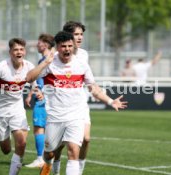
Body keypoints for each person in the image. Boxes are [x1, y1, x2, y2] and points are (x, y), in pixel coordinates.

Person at [26, 31, 127, 175]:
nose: (67, 49)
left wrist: (111, 101)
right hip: (55, 117)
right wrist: (45, 63)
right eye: (63, 46)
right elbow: (29, 78)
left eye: (69, 46)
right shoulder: (50, 63)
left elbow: (94, 89)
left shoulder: (81, 65)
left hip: (76, 116)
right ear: (57, 47)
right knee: (49, 153)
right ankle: (47, 164)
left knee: (73, 151)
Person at [0, 38, 36, 175]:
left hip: (17, 109)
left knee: (21, 143)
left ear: (25, 51)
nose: (19, 52)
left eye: (21, 49)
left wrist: (34, 93)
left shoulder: (29, 66)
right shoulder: (0, 68)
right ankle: (6, 136)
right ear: (10, 52)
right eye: (16, 49)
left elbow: (35, 83)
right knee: (6, 150)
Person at [51, 21, 90, 175]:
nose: (79, 37)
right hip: (60, 106)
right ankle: (55, 166)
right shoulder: (55, 57)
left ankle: (78, 171)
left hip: (80, 104)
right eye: (76, 34)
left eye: (81, 34)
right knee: (59, 144)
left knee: (86, 139)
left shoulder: (84, 55)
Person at [25, 33, 55, 168]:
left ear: (46, 44)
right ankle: (47, 158)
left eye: (40, 42)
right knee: (45, 129)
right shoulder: (43, 60)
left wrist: (41, 93)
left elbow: (51, 80)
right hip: (42, 96)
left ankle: (40, 159)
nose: (37, 44)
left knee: (39, 128)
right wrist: (31, 93)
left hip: (43, 99)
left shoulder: (49, 60)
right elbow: (39, 80)